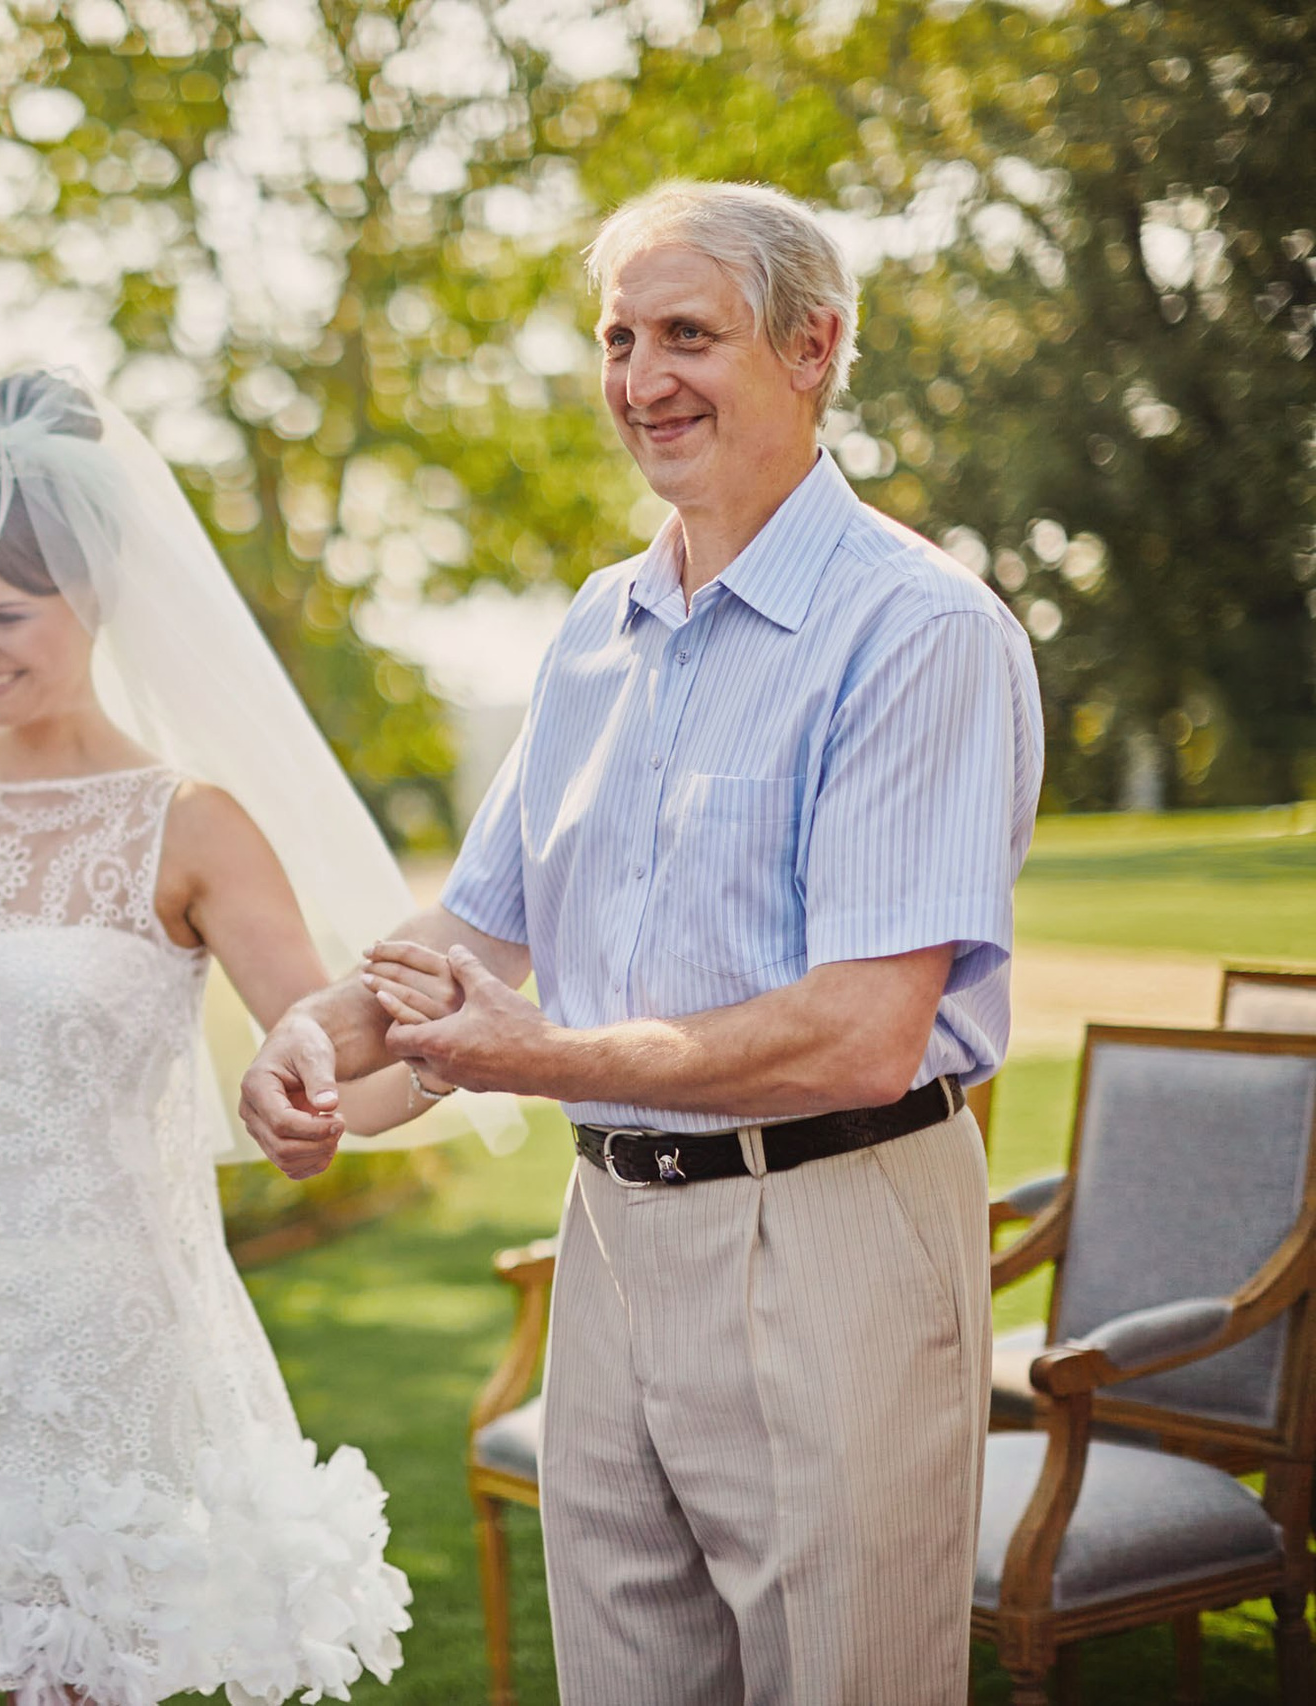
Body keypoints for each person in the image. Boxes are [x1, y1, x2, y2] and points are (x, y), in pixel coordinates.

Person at [241, 180, 1043, 1704]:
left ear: (814, 347)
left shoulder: (921, 632)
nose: (641, 379)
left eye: (689, 333)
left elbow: (862, 1029)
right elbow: (471, 935)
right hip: (612, 1246)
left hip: (836, 1229)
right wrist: (317, 1039)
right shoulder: (595, 631)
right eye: (619, 338)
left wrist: (535, 1056)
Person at [0, 371, 508, 1706]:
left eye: (7, 615)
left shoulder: (190, 824)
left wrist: (328, 1112)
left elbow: (340, 1051)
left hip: (99, 1370)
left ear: (99, 595)